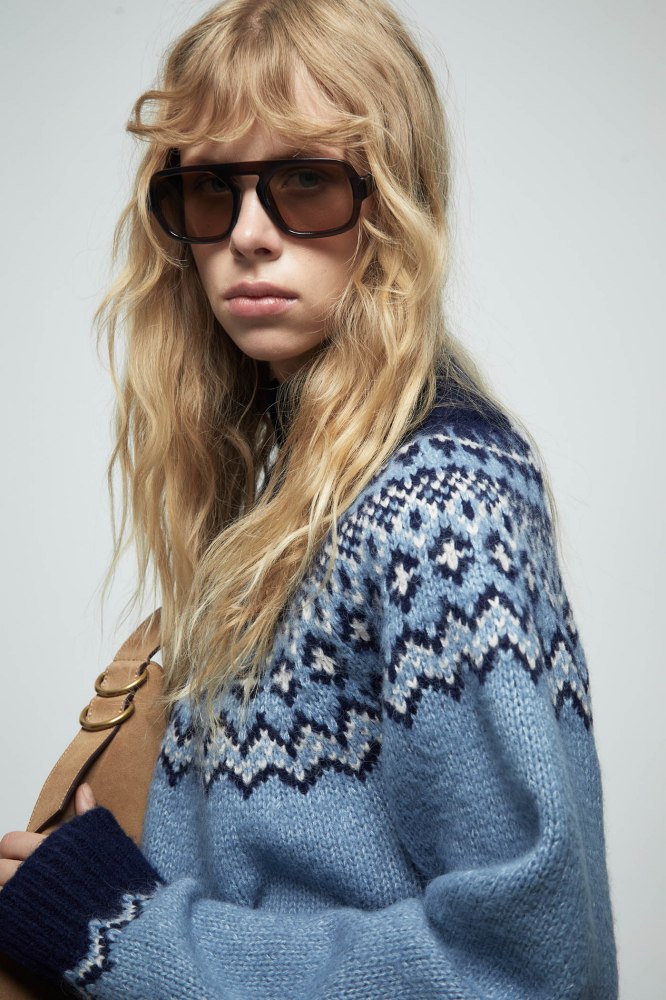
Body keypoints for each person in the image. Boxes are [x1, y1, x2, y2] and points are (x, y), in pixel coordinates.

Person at [0, 0, 618, 996]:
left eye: (304, 181)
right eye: (211, 189)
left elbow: (526, 969)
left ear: (395, 202)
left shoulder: (436, 507)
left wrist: (119, 930)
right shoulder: (299, 484)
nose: (248, 235)